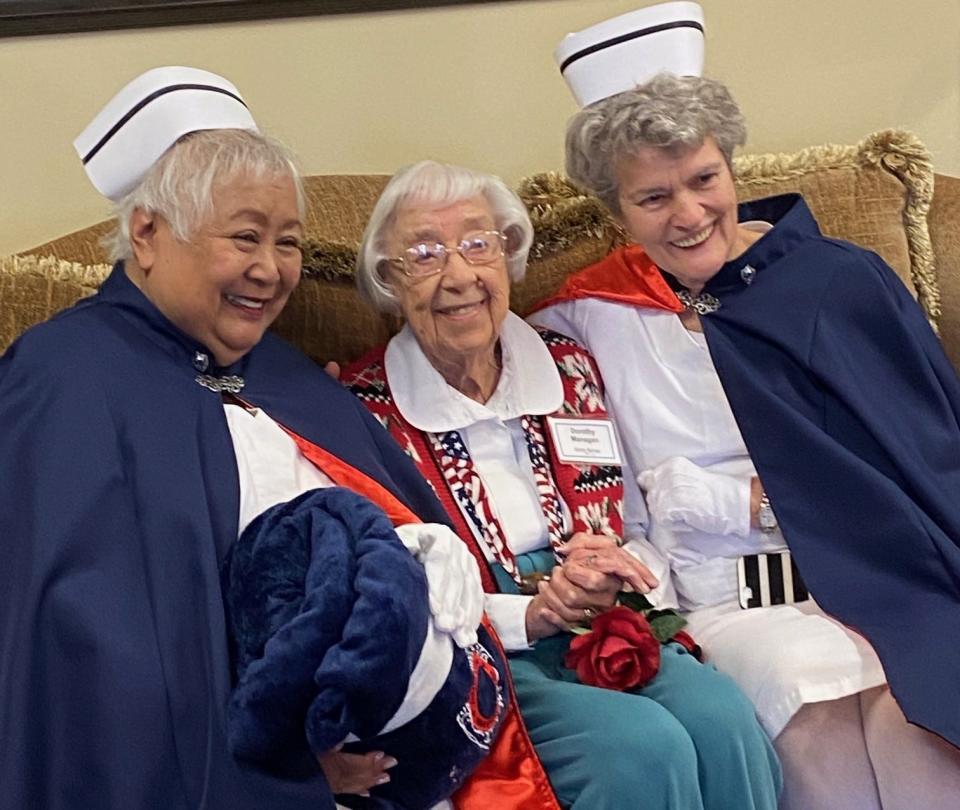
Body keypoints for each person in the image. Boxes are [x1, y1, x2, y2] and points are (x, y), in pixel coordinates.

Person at [0, 67, 551, 810]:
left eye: (287, 241)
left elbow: (399, 510)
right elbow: (99, 658)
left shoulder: (281, 371)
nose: (270, 270)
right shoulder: (66, 375)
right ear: (147, 234)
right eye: (244, 238)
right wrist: (281, 769)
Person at [532, 5, 960, 808]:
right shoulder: (584, 324)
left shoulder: (837, 281)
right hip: (734, 600)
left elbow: (927, 452)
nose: (690, 216)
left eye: (704, 180)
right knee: (817, 699)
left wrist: (760, 501)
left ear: (732, 166)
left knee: (922, 715)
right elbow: (573, 474)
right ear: (615, 210)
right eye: (653, 197)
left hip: (882, 577)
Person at [341, 158, 782, 810]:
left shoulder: (570, 365)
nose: (459, 275)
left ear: (508, 257)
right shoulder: (365, 412)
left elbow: (637, 526)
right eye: (425, 254)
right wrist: (534, 612)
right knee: (639, 750)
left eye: (476, 244)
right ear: (388, 280)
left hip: (611, 623)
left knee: (723, 721)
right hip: (480, 648)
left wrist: (620, 566)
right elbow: (393, 593)